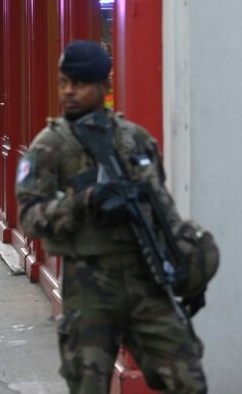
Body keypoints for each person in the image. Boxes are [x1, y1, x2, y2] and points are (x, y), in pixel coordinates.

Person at [15, 41, 206, 393]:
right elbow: (30, 218)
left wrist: (185, 267)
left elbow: (162, 210)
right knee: (88, 385)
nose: (69, 91)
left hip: (145, 278)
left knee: (187, 377)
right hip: (89, 284)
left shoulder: (135, 139)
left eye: (81, 82)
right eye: (64, 82)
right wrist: (84, 201)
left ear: (105, 85)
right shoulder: (49, 146)